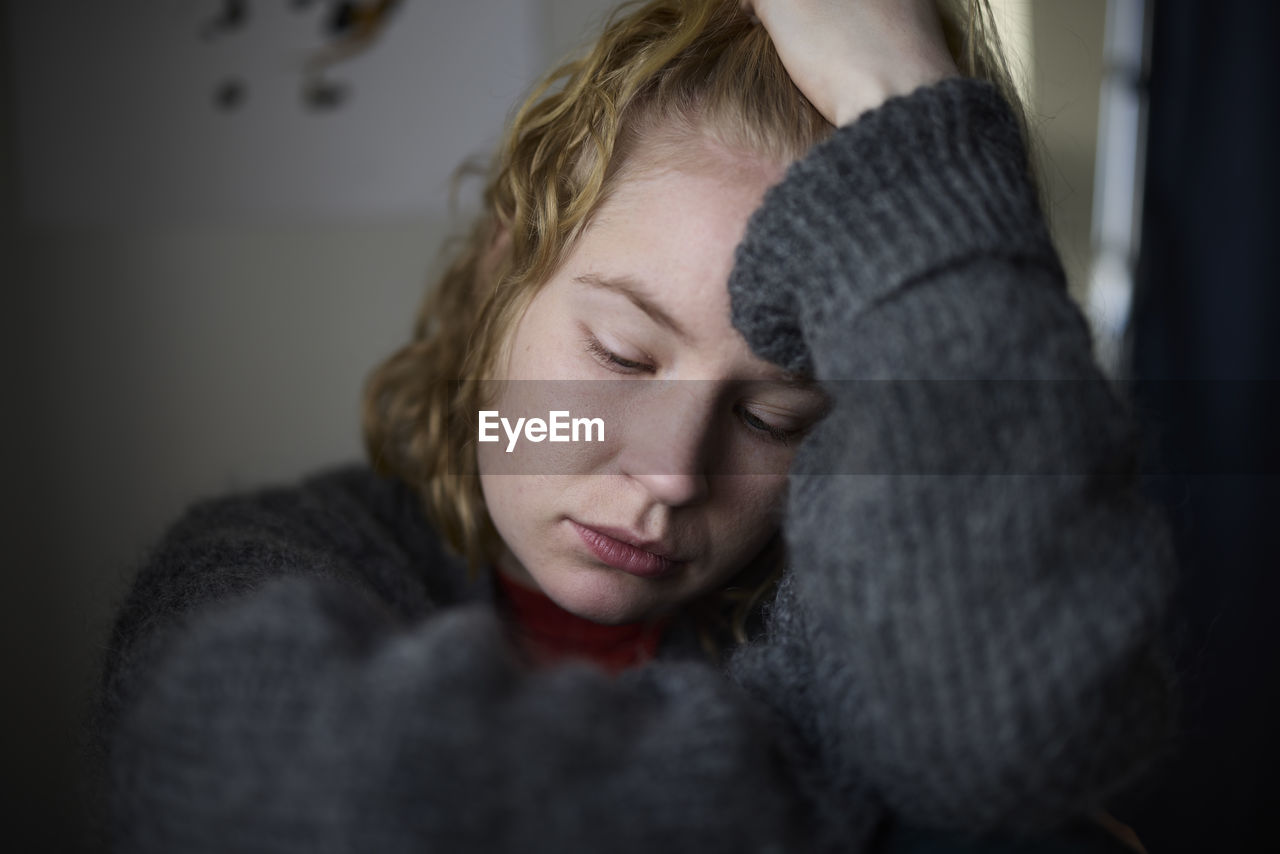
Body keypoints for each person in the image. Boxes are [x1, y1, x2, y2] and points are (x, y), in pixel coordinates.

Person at [97, 0, 1174, 851]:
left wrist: (913, 123)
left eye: (770, 414)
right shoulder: (269, 563)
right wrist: (847, 780)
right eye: (620, 355)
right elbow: (271, 787)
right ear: (500, 272)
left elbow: (1015, 714)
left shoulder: (832, 612)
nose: (668, 474)